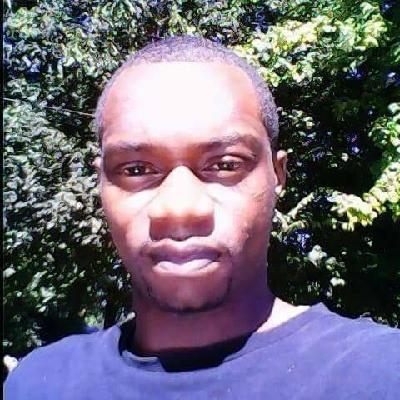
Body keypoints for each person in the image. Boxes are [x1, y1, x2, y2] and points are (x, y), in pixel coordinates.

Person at [5, 36, 399, 399]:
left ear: (277, 176)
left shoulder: (379, 373)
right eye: (136, 170)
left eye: (225, 165)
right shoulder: (39, 384)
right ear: (101, 184)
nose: (180, 209)